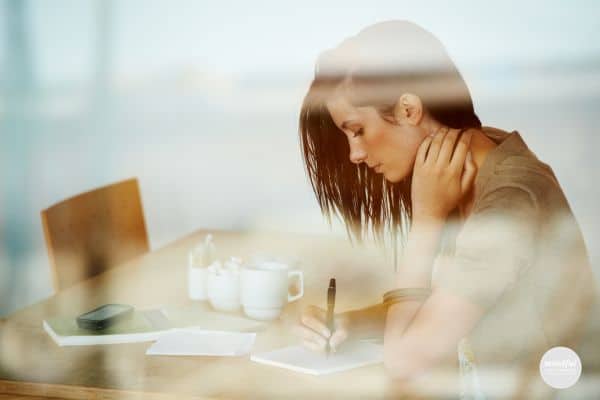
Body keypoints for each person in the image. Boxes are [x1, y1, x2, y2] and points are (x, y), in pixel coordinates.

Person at [295, 20, 599, 398]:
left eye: (357, 130)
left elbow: (403, 361)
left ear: (408, 108)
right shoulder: (476, 160)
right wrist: (348, 322)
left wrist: (426, 221)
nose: (355, 154)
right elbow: (444, 306)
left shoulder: (511, 199)